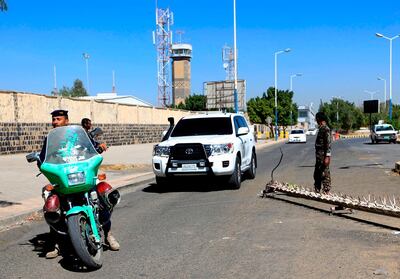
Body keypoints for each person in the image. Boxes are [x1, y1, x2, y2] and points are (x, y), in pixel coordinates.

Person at [40, 110, 119, 259]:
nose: (55, 122)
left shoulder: (77, 135)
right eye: (53, 119)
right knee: (51, 201)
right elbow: (43, 157)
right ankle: (55, 242)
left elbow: (91, 147)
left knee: (101, 199)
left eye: (58, 119)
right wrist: (39, 159)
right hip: (63, 177)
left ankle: (108, 234)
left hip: (81, 172)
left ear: (66, 121)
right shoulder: (50, 140)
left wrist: (99, 147)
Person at [314, 112, 332, 195]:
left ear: (319, 119)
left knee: (325, 173)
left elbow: (328, 143)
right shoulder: (321, 128)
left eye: (316, 119)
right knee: (317, 173)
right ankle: (317, 189)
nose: (316, 120)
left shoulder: (326, 129)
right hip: (319, 156)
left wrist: (327, 156)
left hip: (323, 155)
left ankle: (326, 190)